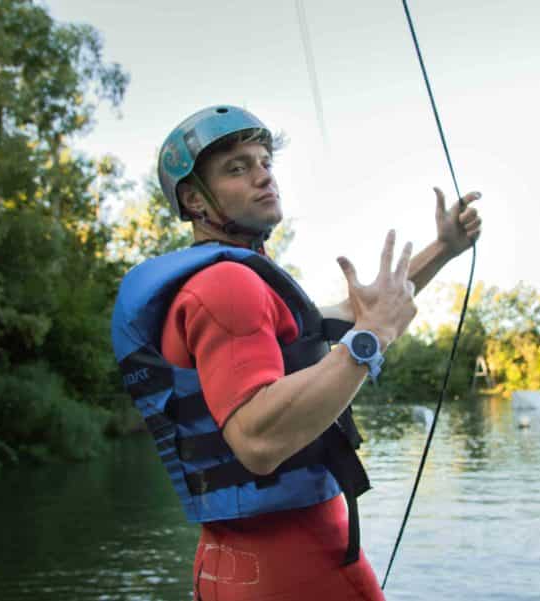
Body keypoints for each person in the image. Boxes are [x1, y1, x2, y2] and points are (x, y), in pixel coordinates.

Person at [112, 105, 482, 601]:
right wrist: (370, 341)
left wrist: (444, 247)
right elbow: (257, 440)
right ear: (195, 200)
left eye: (265, 162)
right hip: (294, 564)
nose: (263, 176)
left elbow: (360, 311)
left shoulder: (238, 281)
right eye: (237, 168)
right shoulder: (226, 285)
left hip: (233, 562)